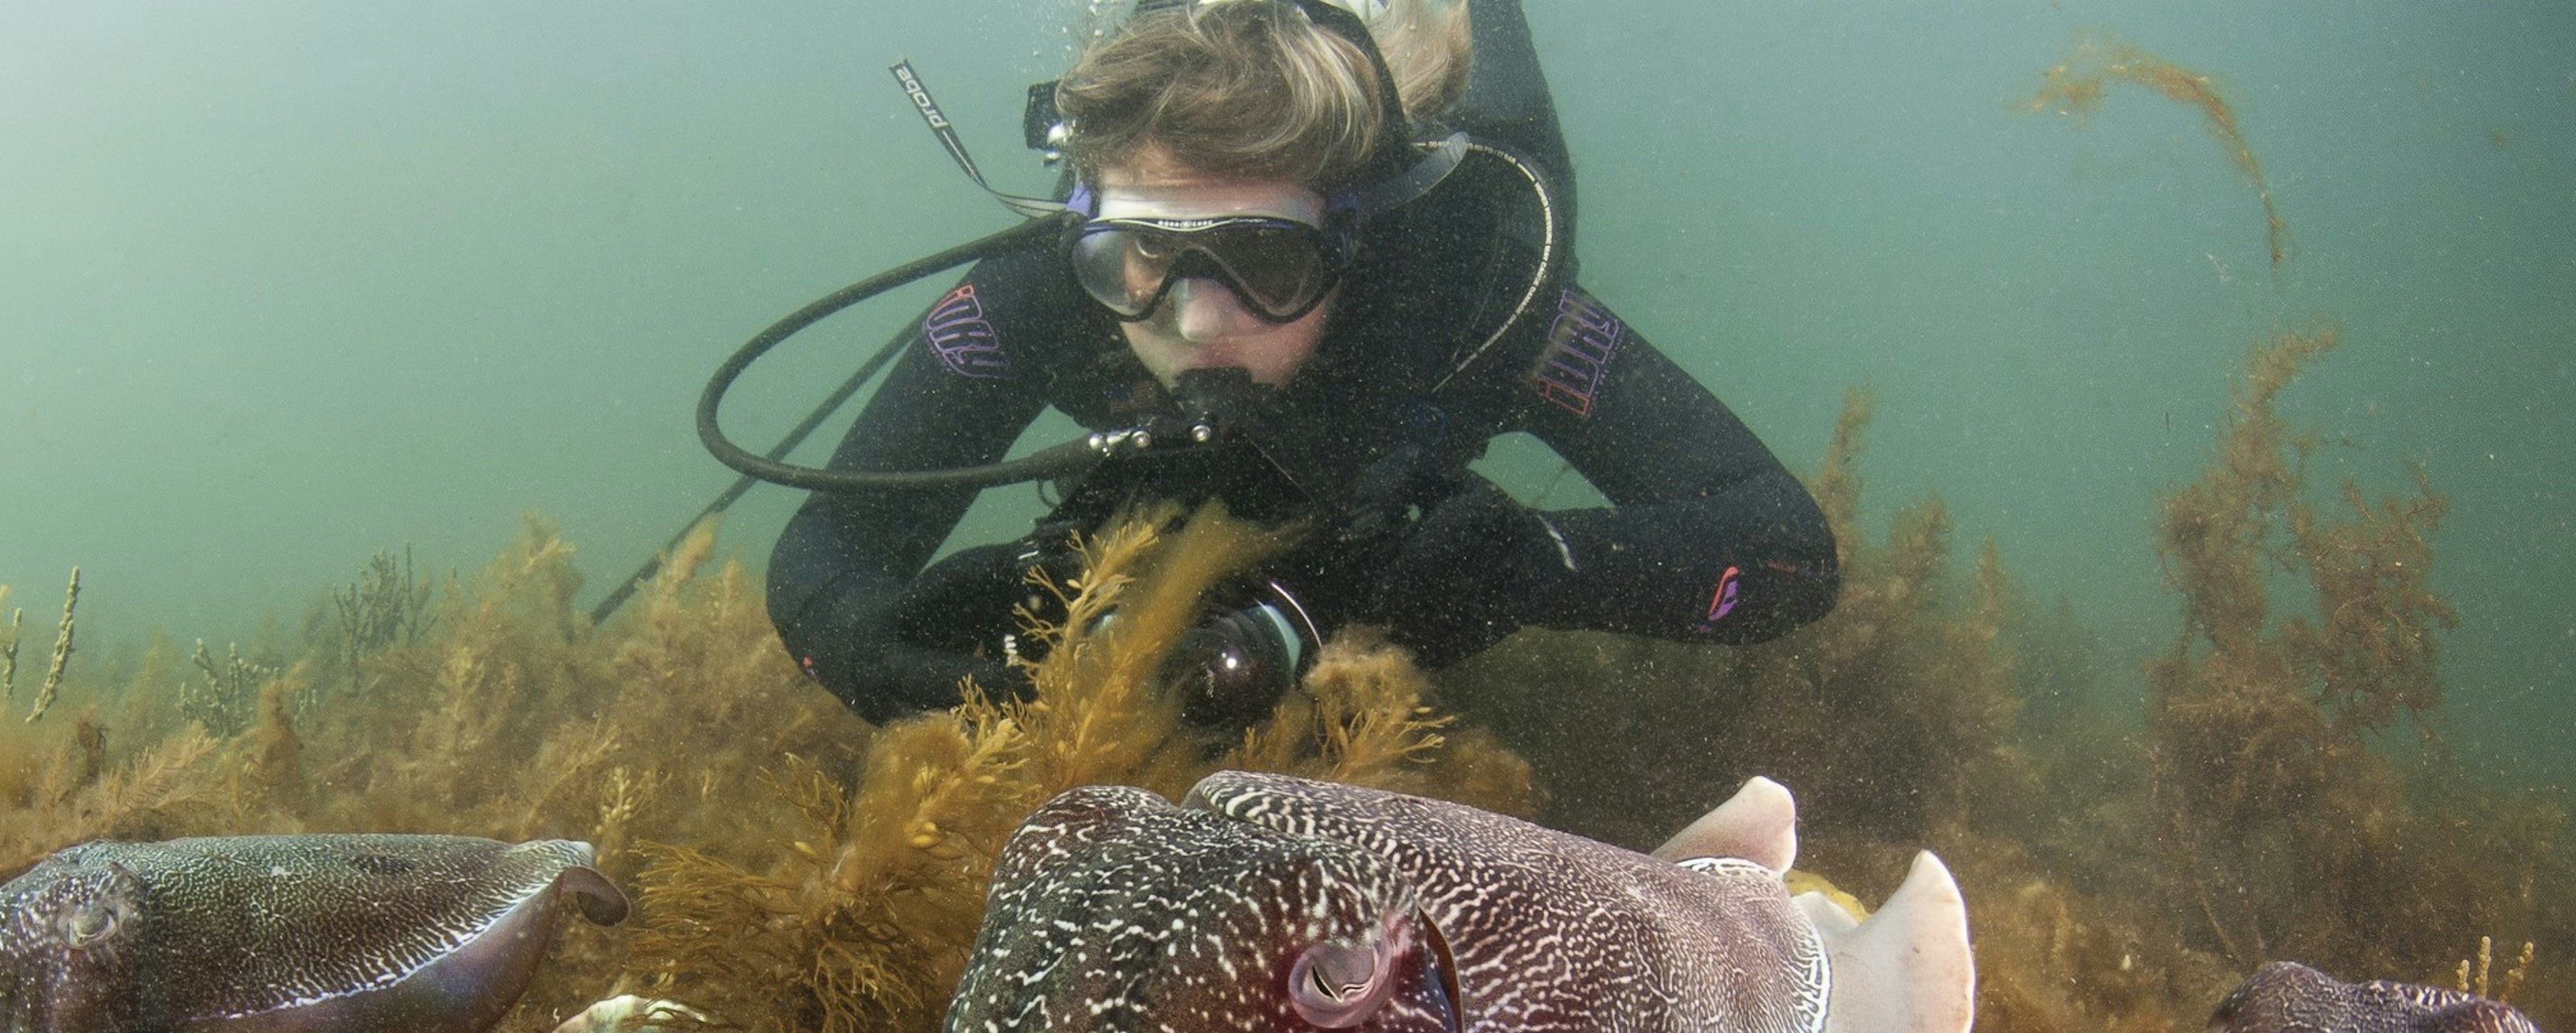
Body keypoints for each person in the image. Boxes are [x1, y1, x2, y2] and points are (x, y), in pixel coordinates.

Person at [766, 0, 1838, 729]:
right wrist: (859, 645)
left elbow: (1785, 551)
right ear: (1086, 223)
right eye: (1144, 249)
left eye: (1262, 254)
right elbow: (827, 543)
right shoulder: (1044, 295)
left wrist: (1534, 565)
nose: (1193, 316)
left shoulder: (1470, 292)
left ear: (1356, 236)